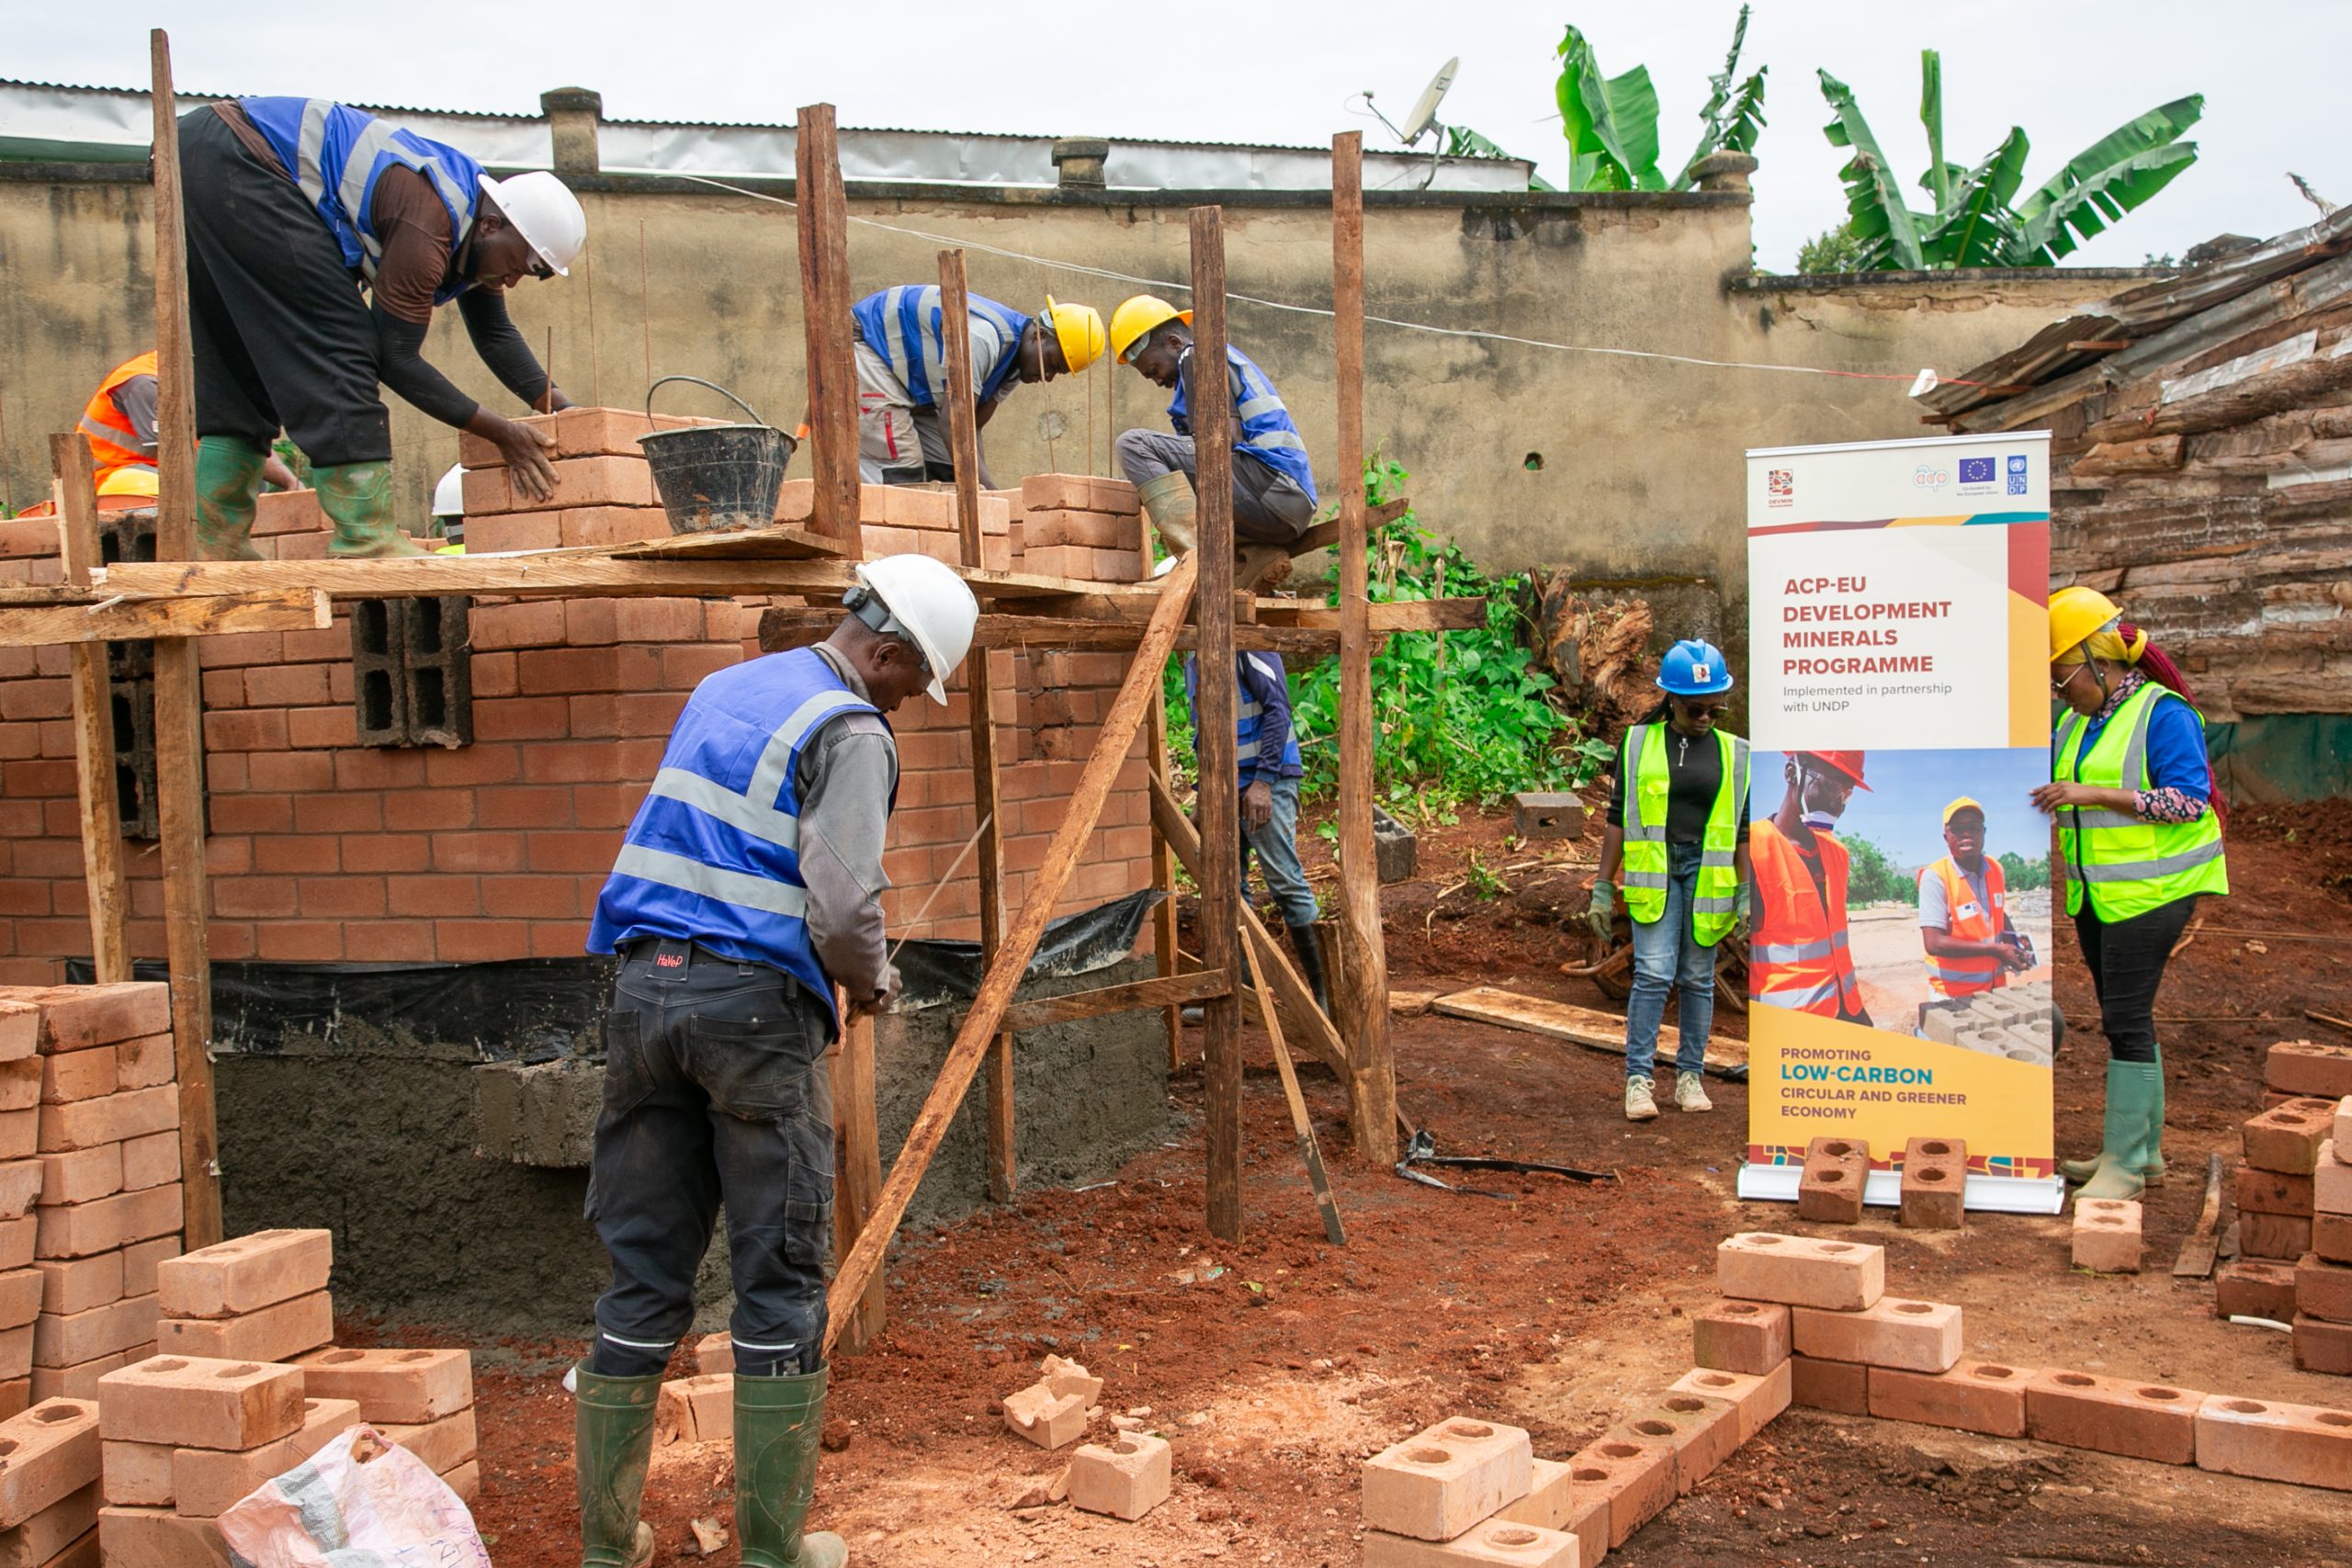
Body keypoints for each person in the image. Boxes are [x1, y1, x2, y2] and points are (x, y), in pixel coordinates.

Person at [576, 555, 980, 1568]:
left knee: (643, 1270)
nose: (907, 704)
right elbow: (842, 906)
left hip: (640, 990)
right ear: (884, 653)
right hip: (750, 1016)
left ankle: (606, 1544)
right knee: (780, 1270)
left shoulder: (727, 685)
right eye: (910, 684)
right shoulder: (848, 729)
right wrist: (875, 984)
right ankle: (770, 1551)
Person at [178, 96, 586, 559]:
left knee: (241, 356)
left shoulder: (475, 227)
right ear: (493, 225)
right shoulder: (429, 222)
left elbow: (496, 335)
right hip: (247, 157)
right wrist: (501, 431)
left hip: (203, 150)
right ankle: (366, 538)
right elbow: (395, 358)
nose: (512, 280)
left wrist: (566, 412)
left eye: (528, 273)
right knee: (341, 345)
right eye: (517, 264)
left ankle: (218, 544)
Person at [2032, 585, 2226, 1201]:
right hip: (2100, 895)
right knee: (2129, 1018)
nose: (2061, 692)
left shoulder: (2164, 714)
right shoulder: (2078, 721)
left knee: (2123, 1019)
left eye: (2064, 678)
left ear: (2100, 661)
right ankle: (2143, 1155)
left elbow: (2187, 798)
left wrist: (2092, 796)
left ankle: (2125, 1161)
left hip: (2157, 891)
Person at [1588, 639, 1749, 1121]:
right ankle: (1639, 1081)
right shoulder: (1638, 743)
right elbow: (1618, 817)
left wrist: (1746, 891)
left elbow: (1741, 828)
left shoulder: (1736, 753)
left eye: (1715, 708)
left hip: (1709, 874)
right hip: (1655, 873)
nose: (1705, 717)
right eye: (1696, 707)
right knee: (1654, 974)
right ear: (1672, 700)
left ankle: (1689, 1077)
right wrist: (1602, 886)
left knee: (1698, 977)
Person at [1107, 295, 1316, 587]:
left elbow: (1223, 442)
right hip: (1284, 506)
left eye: (1154, 370)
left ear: (1174, 343)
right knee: (1165, 482)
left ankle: (1193, 568)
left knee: (1133, 445)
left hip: (1270, 488)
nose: (1156, 381)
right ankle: (1253, 556)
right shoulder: (1202, 368)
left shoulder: (1197, 356)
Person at [1184, 646, 1329, 1012]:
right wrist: (1204, 796)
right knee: (1229, 887)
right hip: (1226, 786)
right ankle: (1242, 992)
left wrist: (1264, 781)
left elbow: (1279, 709)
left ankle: (1327, 996)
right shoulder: (1193, 657)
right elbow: (1206, 732)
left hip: (1268, 782)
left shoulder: (1248, 645)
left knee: (1284, 882)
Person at [850, 287, 1104, 489]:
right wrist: (995, 496)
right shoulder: (985, 338)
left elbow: (973, 425)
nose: (1047, 377)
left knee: (950, 472)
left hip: (911, 384)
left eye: (1057, 373)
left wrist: (984, 491)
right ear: (1039, 336)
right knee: (903, 471)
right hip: (870, 347)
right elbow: (953, 425)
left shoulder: (1015, 368)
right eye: (1052, 363)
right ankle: (888, 551)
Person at [1749, 750, 1872, 1026]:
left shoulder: (1838, 854)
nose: (1839, 804)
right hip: (1791, 1024)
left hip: (1848, 1010)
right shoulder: (1752, 849)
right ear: (1792, 773)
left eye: (1846, 792)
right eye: (1830, 786)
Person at [78, 351, 301, 496]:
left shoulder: (216, 383)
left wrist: (293, 485)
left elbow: (246, 442)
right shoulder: (146, 383)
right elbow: (174, 458)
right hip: (115, 476)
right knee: (161, 488)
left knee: (246, 475)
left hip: (166, 470)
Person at [1918, 797, 2030, 998]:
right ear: (1946, 836)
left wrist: (2013, 942)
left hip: (1995, 989)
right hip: (1954, 995)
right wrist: (1996, 950)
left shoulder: (1996, 869)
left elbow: (1996, 913)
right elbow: (1934, 943)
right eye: (1958, 829)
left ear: (1984, 832)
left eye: (1973, 827)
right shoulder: (1935, 877)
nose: (1967, 834)